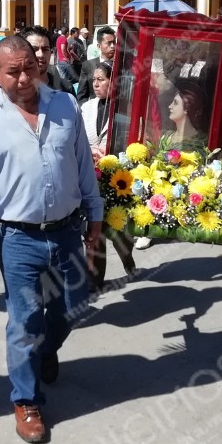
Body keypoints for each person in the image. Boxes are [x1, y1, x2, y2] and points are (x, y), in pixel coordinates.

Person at [0, 36, 103, 443]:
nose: (24, 78)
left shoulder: (64, 105)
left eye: (29, 68)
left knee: (72, 309)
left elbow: (81, 166)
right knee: (24, 321)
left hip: (67, 231)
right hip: (18, 238)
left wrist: (95, 215)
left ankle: (43, 351)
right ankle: (26, 400)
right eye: (13, 71)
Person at [82, 61, 136, 288]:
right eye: (94, 79)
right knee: (96, 228)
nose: (96, 84)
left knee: (118, 226)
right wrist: (89, 151)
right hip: (89, 176)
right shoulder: (85, 107)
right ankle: (95, 279)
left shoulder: (124, 109)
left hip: (116, 177)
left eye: (101, 79)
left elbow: (132, 140)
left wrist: (109, 154)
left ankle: (126, 255)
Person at [22, 27, 74, 95]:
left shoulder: (66, 89)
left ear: (50, 52)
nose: (40, 55)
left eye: (45, 49)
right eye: (34, 49)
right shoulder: (13, 89)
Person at [162, 81, 209, 152]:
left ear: (187, 108)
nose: (169, 106)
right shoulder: (166, 136)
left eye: (175, 103)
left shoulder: (200, 142)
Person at [77, 26, 116, 103]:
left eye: (114, 42)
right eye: (108, 43)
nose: (113, 46)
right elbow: (81, 96)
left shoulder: (121, 65)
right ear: (99, 46)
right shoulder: (88, 65)